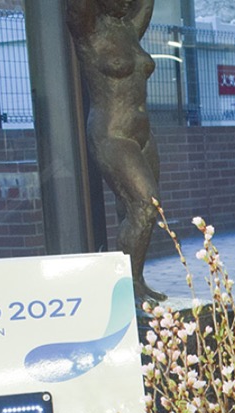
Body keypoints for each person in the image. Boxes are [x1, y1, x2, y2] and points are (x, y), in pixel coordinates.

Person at [66, 0, 166, 306]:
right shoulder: (89, 30)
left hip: (142, 133)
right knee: (145, 205)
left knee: (134, 212)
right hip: (112, 133)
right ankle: (125, 286)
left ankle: (135, 281)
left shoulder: (129, 29)